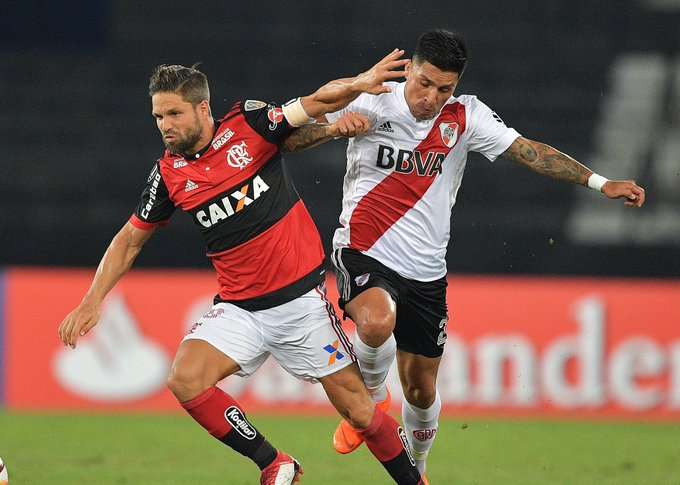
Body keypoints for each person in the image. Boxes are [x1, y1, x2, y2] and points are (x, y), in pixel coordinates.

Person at [57, 53, 426, 485]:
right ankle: (275, 463)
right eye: (158, 116)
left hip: (300, 307)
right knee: (185, 380)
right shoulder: (168, 174)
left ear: (201, 108)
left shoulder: (248, 125)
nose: (164, 125)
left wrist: (359, 83)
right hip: (240, 310)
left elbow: (312, 101)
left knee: (361, 413)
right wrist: (91, 301)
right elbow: (129, 239)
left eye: (173, 113)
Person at [322, 29, 646, 480]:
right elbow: (294, 134)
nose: (432, 97)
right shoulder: (371, 97)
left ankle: (416, 470)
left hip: (426, 271)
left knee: (420, 389)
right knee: (376, 321)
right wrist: (334, 127)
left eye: (444, 88)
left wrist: (599, 183)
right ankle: (371, 397)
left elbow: (530, 152)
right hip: (364, 250)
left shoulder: (466, 116)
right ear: (409, 70)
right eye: (424, 83)